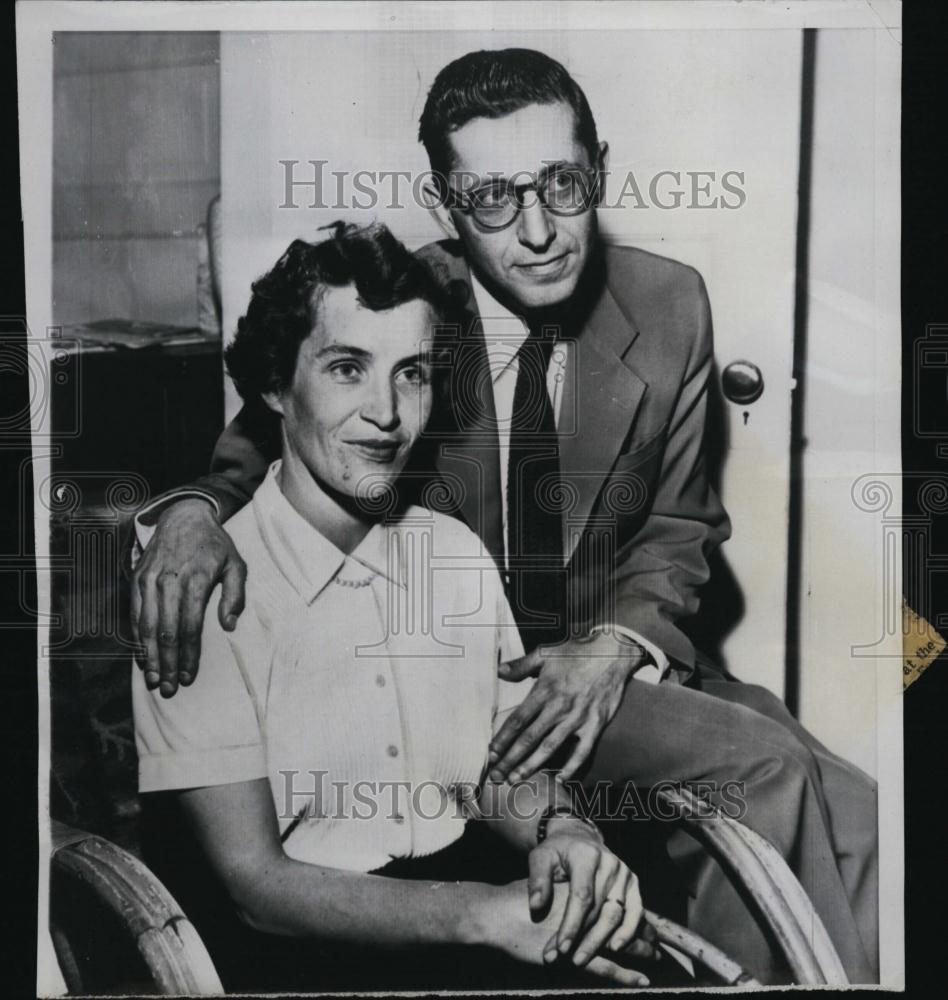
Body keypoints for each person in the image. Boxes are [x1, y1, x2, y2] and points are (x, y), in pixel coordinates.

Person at [130, 49, 878, 983]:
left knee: (855, 807)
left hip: (603, 660)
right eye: (491, 198)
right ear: (446, 201)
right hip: (474, 682)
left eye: (561, 184)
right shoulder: (401, 302)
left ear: (596, 168)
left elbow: (680, 527)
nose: (536, 231)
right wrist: (191, 514)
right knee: (765, 773)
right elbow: (268, 436)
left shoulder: (669, 301)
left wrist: (613, 649)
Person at [132, 222, 660, 991]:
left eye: (411, 373)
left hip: (475, 893)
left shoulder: (452, 555)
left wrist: (564, 830)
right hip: (299, 948)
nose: (387, 411)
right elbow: (256, 889)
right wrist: (482, 915)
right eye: (348, 368)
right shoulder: (202, 591)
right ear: (276, 385)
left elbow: (496, 764)